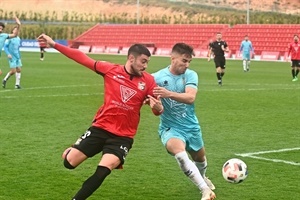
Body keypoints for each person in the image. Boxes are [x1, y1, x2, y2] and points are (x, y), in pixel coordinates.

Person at [37, 33, 164, 200]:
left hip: (123, 136)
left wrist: (158, 108)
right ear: (131, 59)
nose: (146, 66)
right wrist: (54, 44)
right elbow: (82, 58)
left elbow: (157, 110)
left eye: (147, 62)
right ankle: (73, 150)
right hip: (100, 128)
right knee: (69, 163)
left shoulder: (148, 82)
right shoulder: (110, 70)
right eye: (143, 61)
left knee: (104, 169)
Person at [151, 43, 216, 200]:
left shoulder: (191, 75)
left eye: (189, 62)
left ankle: (203, 177)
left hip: (191, 127)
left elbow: (190, 97)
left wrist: (168, 94)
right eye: (184, 61)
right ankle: (205, 190)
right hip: (170, 128)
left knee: (200, 160)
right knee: (180, 155)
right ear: (173, 58)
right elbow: (152, 104)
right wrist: (155, 105)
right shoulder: (156, 78)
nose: (187, 65)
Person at [0, 17, 21, 85]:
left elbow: (15, 35)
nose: (0, 30)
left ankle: (17, 84)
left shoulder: (4, 36)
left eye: (1, 29)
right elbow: (6, 47)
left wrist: (18, 25)